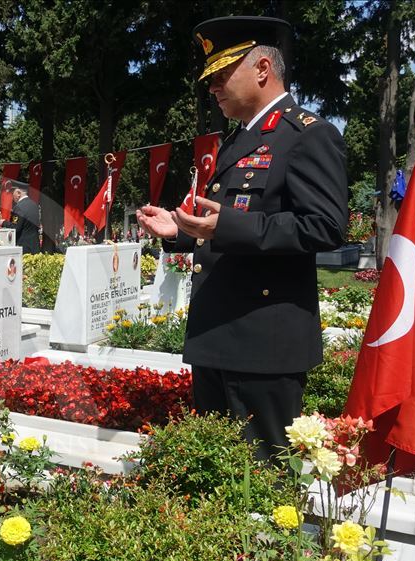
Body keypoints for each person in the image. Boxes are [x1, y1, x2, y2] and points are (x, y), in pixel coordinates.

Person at [136, 16, 347, 460]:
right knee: (217, 478)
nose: (211, 87)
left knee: (262, 482)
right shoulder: (238, 140)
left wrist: (228, 226)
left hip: (264, 346)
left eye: (220, 75)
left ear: (263, 70)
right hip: (218, 336)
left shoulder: (308, 135)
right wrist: (181, 232)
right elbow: (230, 228)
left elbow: (326, 225)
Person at [9, 181, 41, 255]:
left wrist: (3, 222)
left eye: (12, 193)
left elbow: (15, 227)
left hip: (24, 247)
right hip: (35, 246)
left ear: (18, 193)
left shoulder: (19, 207)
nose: (12, 196)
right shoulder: (34, 205)